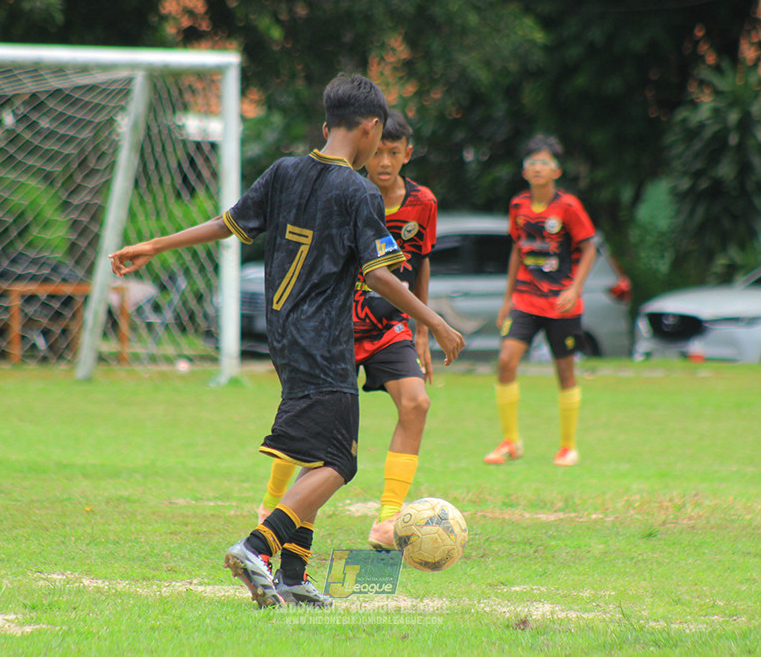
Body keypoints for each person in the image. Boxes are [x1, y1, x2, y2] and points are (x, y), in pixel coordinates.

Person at [109, 74, 465, 608]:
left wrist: (156, 244)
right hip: (325, 342)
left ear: (327, 125)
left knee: (314, 455)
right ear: (371, 128)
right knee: (339, 464)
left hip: (284, 336)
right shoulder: (360, 192)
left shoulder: (284, 172)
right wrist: (433, 321)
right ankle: (257, 547)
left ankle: (294, 576)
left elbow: (226, 224)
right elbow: (380, 275)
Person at [254, 110, 439, 550]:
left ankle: (387, 521)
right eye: (379, 152)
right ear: (366, 147)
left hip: (387, 326)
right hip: (334, 327)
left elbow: (420, 264)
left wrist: (422, 331)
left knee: (416, 402)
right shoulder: (345, 190)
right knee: (311, 431)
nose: (384, 162)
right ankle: (272, 507)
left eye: (394, 153)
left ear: (407, 154)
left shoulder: (423, 204)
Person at [483, 134, 596, 466]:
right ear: (524, 170)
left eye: (544, 162)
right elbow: (517, 250)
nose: (537, 167)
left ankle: (568, 446)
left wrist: (574, 289)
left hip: (561, 304)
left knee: (565, 371)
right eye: (532, 162)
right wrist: (507, 299)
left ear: (556, 171)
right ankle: (510, 442)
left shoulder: (568, 206)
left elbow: (589, 247)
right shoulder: (518, 205)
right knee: (506, 361)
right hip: (525, 299)